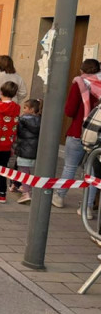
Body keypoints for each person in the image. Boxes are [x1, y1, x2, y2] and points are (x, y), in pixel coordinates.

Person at [53, 59, 101, 208]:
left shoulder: (79, 83)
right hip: (96, 134)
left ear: (82, 70)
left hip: (77, 131)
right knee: (93, 171)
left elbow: (70, 110)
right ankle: (86, 208)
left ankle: (60, 196)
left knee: (70, 166)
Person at [13, 99, 41, 205]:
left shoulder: (22, 120)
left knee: (24, 171)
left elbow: (18, 132)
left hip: (24, 148)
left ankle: (26, 192)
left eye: (25, 107)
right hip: (34, 149)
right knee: (28, 170)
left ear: (31, 109)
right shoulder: (40, 120)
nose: (23, 110)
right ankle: (26, 188)